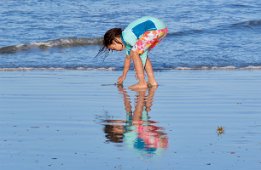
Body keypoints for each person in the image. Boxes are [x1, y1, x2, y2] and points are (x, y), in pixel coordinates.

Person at [101, 16, 168, 90]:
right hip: (162, 29)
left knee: (135, 52)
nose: (116, 50)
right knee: (140, 52)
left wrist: (139, 70)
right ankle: (152, 81)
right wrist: (123, 76)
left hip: (154, 28)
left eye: (113, 48)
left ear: (114, 40)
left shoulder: (127, 36)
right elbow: (128, 58)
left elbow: (138, 54)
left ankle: (142, 83)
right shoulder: (127, 42)